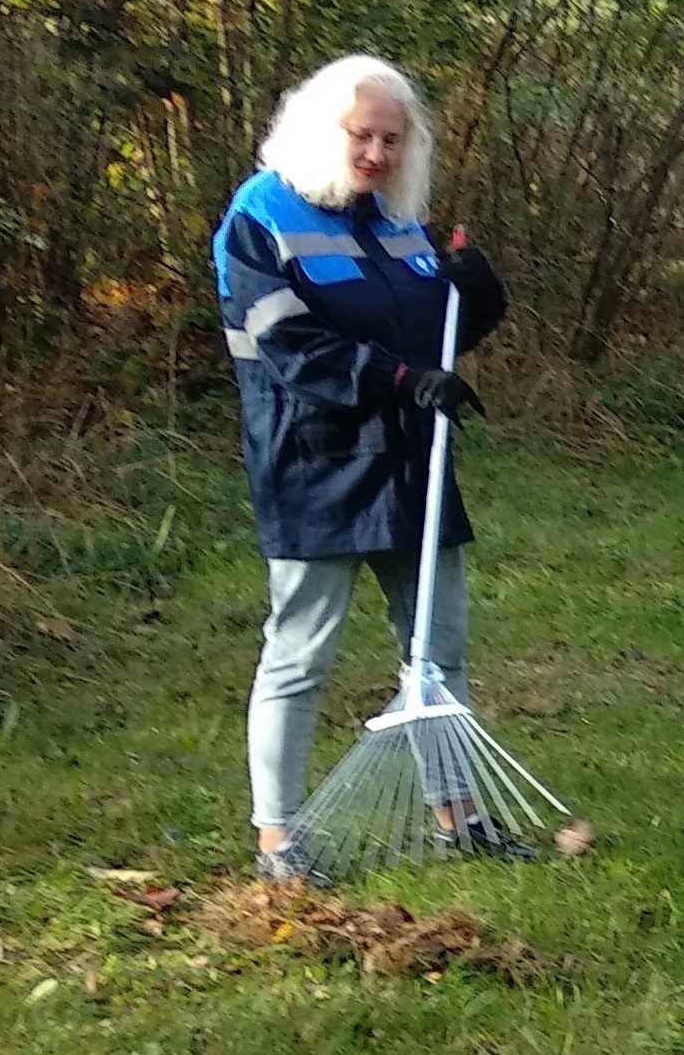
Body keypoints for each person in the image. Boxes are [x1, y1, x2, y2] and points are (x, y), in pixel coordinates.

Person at [215, 54, 509, 884]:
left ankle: (458, 816)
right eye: (361, 135)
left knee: (438, 646)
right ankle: (278, 839)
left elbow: (436, 333)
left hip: (412, 458)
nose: (377, 152)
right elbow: (289, 343)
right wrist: (402, 378)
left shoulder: (396, 222)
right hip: (313, 460)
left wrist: (477, 294)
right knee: (300, 652)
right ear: (323, 131)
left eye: (391, 138)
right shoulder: (259, 216)